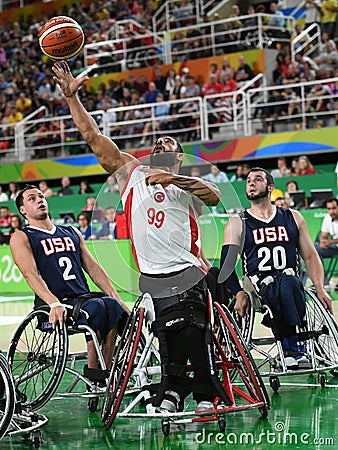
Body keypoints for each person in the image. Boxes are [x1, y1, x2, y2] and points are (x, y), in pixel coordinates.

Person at [53, 60, 222, 413]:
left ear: (177, 157)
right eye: (157, 141)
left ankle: (205, 391)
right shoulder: (132, 173)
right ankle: (174, 391)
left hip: (188, 270)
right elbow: (94, 139)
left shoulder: (186, 187)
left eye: (168, 143)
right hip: (153, 276)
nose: (160, 143)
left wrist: (173, 180)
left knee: (192, 329)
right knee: (166, 334)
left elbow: (214, 195)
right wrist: (72, 100)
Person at [219, 167, 333, 369]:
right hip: (258, 286)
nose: (251, 183)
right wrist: (238, 294)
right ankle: (292, 348)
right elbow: (226, 266)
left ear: (270, 187)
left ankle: (292, 348)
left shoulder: (293, 217)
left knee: (288, 280)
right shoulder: (237, 223)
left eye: (257, 179)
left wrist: (321, 288)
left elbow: (310, 256)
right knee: (276, 284)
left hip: (290, 281)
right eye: (248, 180)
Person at [10, 185, 128, 373]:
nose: (40, 200)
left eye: (41, 196)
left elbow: (93, 268)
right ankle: (94, 372)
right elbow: (29, 274)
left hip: (81, 299)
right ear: (22, 210)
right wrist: (53, 303)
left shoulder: (71, 232)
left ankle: (106, 371)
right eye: (32, 198)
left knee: (112, 305)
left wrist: (116, 297)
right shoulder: (22, 236)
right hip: (53, 304)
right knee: (96, 308)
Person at [314, 197, 338, 287]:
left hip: (334, 245)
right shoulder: (328, 218)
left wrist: (330, 241)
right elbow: (323, 236)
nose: (331, 212)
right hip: (334, 247)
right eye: (329, 209)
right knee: (315, 249)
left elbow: (329, 240)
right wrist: (323, 242)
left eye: (334, 208)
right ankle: (324, 281)